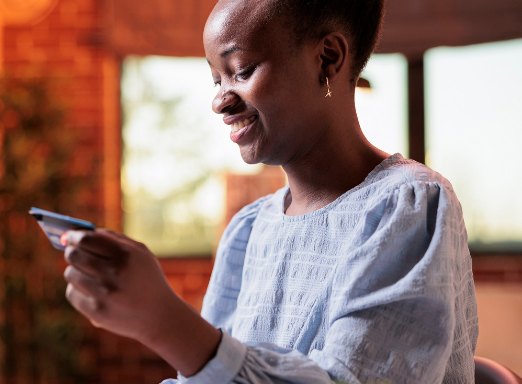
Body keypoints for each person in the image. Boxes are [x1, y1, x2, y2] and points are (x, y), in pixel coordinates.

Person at [61, 0, 479, 382]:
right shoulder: (248, 230)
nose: (220, 101)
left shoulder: (405, 206)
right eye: (215, 79)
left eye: (241, 71)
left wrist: (165, 322)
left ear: (327, 58)